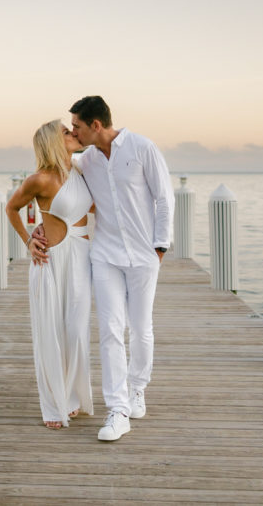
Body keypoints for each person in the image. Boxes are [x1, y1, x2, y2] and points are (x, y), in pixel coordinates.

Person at [30, 96, 173, 442]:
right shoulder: (86, 161)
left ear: (96, 125)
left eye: (77, 126)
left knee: (140, 329)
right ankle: (117, 409)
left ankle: (137, 388)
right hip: (104, 255)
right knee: (110, 330)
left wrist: (160, 249)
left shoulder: (142, 148)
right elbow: (54, 180)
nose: (74, 133)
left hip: (143, 256)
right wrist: (40, 226)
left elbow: (165, 198)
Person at [6, 120, 94, 429]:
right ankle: (55, 405)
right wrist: (29, 240)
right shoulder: (39, 180)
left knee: (77, 331)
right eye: (66, 133)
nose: (73, 134)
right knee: (51, 333)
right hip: (52, 263)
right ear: (52, 143)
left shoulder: (82, 169)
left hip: (81, 259)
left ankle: (72, 394)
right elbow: (11, 208)